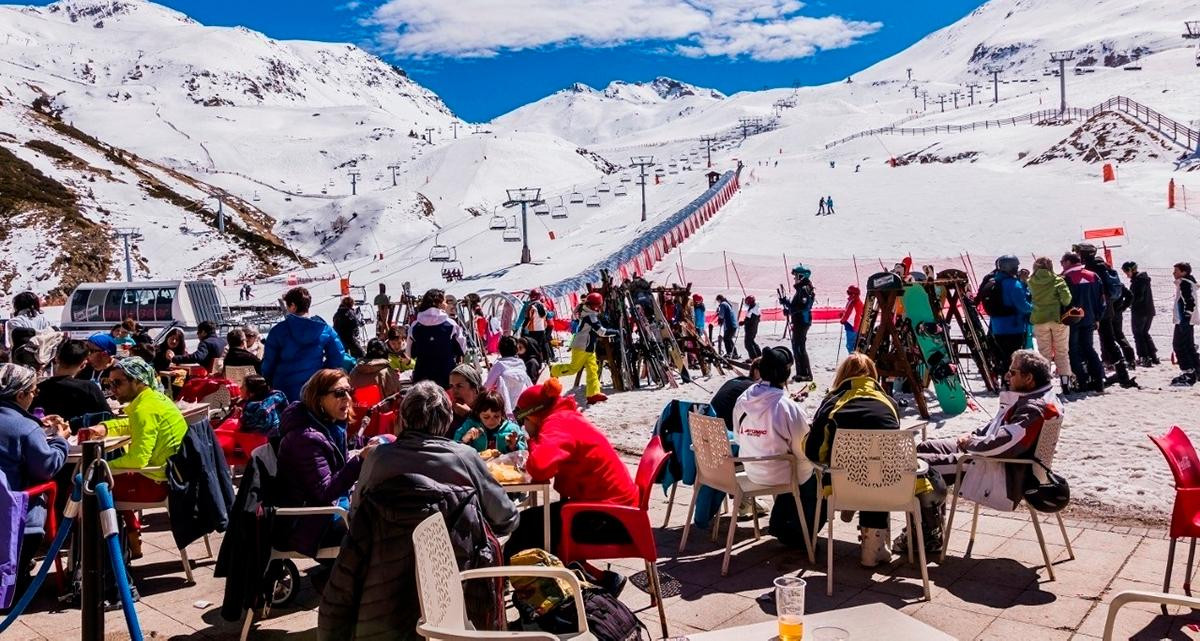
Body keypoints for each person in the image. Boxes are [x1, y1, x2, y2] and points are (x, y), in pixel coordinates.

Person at [318, 381, 517, 640]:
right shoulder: (465, 457)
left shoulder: (378, 458)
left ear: (404, 419)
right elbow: (507, 518)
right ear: (446, 421)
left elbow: (357, 517)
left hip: (383, 586)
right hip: (457, 586)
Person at [907, 350, 1061, 551]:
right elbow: (996, 428)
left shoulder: (1034, 408)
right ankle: (929, 528)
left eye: (1012, 372)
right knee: (922, 448)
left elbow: (1004, 445)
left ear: (1029, 378)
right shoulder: (1033, 396)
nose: (1007, 376)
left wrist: (970, 443)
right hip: (989, 457)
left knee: (917, 466)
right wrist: (971, 437)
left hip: (997, 469)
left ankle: (928, 536)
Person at [503, 377, 637, 563]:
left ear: (534, 414)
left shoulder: (557, 424)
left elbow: (540, 469)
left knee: (526, 525)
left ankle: (498, 584)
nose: (524, 424)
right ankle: (592, 578)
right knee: (533, 523)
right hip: (618, 510)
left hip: (613, 520)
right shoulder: (565, 417)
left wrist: (533, 438)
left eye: (524, 419)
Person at [76, 357, 188, 557]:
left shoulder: (144, 409)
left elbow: (137, 460)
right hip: (173, 476)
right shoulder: (154, 399)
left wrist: (101, 466)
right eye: (109, 384)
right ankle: (130, 543)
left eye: (118, 383)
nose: (113, 389)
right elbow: (133, 425)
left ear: (138, 381)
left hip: (157, 482)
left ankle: (101, 560)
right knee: (104, 481)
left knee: (90, 488)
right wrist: (105, 428)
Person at [804, 354, 900, 566]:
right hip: (889, 485)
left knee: (856, 469)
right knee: (876, 466)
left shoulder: (832, 403)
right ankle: (873, 546)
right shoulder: (890, 404)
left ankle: (864, 529)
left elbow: (813, 452)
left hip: (842, 484)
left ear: (842, 375)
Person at [275, 369, 373, 557]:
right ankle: (342, 582)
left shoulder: (330, 425)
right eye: (339, 393)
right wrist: (360, 459)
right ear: (319, 399)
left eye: (349, 391)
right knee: (376, 528)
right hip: (308, 524)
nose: (347, 398)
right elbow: (325, 491)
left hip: (326, 509)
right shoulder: (305, 439)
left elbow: (338, 464)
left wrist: (366, 445)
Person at [733, 346, 818, 547]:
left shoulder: (744, 399)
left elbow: (738, 437)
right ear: (786, 374)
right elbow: (803, 449)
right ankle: (798, 534)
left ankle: (782, 522)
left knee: (795, 465)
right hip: (781, 473)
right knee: (815, 475)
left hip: (751, 470)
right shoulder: (787, 407)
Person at [0, 364, 70, 596]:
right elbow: (47, 467)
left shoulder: (26, 425)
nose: (35, 395)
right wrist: (60, 440)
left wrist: (37, 425)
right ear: (20, 395)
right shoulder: (25, 428)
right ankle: (17, 578)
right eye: (33, 392)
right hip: (12, 510)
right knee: (39, 497)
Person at [262, 287, 348, 404]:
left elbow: (268, 363)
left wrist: (269, 380)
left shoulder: (278, 331)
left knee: (288, 420)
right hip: (314, 388)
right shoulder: (324, 329)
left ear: (293, 306)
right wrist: (322, 374)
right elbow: (338, 356)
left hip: (283, 389)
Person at [1077, 244, 1136, 386]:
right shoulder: (1104, 266)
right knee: (1109, 341)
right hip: (1107, 309)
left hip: (1097, 309)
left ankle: (1098, 375)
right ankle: (1123, 375)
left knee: (1090, 342)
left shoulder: (1091, 268)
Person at [549, 292, 614, 405]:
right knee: (574, 368)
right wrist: (615, 332)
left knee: (592, 369)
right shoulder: (590, 316)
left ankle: (593, 394)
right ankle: (553, 370)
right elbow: (601, 331)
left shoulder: (588, 312)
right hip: (581, 346)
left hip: (588, 347)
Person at [32, 340, 109, 425]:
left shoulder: (37, 389)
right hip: (83, 436)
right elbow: (108, 416)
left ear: (56, 359)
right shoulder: (89, 388)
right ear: (83, 364)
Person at [1061, 253, 1106, 393]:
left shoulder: (1065, 278)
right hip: (1090, 318)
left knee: (1073, 350)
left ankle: (1081, 382)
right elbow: (1102, 300)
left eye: (1062, 261)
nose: (1061, 264)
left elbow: (1063, 301)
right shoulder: (1093, 276)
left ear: (1068, 262)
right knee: (1089, 348)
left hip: (1072, 320)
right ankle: (1098, 380)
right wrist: (1098, 318)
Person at [1028, 257, 1073, 390]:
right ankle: (1065, 382)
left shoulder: (1031, 281)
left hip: (1039, 319)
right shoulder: (1058, 280)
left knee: (1044, 353)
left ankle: (1045, 382)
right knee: (1062, 351)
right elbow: (1066, 300)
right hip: (1057, 319)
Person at [407, 288, 466, 388]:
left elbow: (409, 353)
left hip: (422, 378)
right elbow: (462, 348)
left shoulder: (415, 326)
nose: (446, 304)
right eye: (444, 301)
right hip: (446, 377)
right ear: (439, 303)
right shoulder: (450, 325)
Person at [988, 255, 1033, 385]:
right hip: (1014, 327)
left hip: (997, 327)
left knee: (1003, 357)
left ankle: (1005, 382)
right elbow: (1024, 306)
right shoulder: (1014, 284)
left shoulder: (994, 281)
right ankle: (1012, 383)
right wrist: (1034, 307)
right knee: (1014, 359)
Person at [453, 390, 527, 454]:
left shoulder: (512, 429)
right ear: (478, 414)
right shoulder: (470, 426)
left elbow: (524, 451)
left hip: (503, 468)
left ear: (502, 414)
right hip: (477, 467)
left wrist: (514, 446)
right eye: (486, 417)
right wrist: (465, 439)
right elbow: (454, 448)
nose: (491, 420)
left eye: (496, 416)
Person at [483, 336, 533, 418]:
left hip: (505, 406)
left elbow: (487, 385)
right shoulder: (521, 363)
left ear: (500, 350)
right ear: (516, 350)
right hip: (522, 404)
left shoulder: (499, 365)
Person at [1122, 261, 1159, 368]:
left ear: (1131, 270)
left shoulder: (1138, 281)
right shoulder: (1142, 280)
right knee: (1144, 333)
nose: (1126, 274)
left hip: (1140, 311)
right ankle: (1152, 356)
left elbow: (1137, 297)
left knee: (1138, 334)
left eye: (1126, 271)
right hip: (1149, 310)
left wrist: (1127, 304)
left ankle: (1144, 357)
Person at [708, 358, 761, 431]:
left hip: (709, 423)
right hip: (724, 432)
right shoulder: (752, 388)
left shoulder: (733, 381)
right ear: (756, 372)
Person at [782, 265, 815, 381]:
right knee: (796, 346)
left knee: (800, 347)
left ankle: (807, 374)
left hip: (802, 321)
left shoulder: (805, 288)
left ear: (801, 276)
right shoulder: (801, 289)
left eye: (796, 276)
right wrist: (787, 304)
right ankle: (800, 372)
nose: (794, 278)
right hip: (799, 321)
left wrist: (790, 309)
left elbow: (805, 306)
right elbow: (796, 306)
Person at [1172, 262, 1199, 387]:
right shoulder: (1187, 282)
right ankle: (1196, 371)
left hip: (1184, 320)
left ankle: (1188, 373)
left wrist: (1186, 316)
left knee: (1179, 345)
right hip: (1187, 320)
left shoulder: (1184, 283)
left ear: (1184, 272)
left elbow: (1189, 301)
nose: (1174, 273)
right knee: (1188, 345)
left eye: (1176, 271)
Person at [520, 289, 554, 363]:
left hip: (533, 330)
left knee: (535, 345)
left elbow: (528, 318)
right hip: (542, 328)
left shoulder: (531, 307)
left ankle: (538, 359)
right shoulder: (543, 306)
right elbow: (547, 316)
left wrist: (523, 327)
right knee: (543, 344)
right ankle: (547, 359)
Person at [447, 363, 482, 434]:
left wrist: (469, 415)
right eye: (451, 386)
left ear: (475, 389)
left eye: (459, 386)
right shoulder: (449, 413)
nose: (454, 391)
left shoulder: (489, 407)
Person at [840, 285, 864, 353]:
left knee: (850, 345)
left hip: (851, 326)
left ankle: (852, 359)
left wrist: (842, 320)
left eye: (849, 292)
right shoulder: (859, 302)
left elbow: (847, 314)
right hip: (857, 326)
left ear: (853, 294)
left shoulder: (853, 302)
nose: (848, 294)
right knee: (855, 344)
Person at [714, 294, 738, 358]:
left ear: (719, 299)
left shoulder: (723, 304)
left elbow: (721, 315)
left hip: (730, 324)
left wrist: (719, 318)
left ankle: (730, 353)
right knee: (729, 339)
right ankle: (734, 353)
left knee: (726, 339)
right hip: (733, 324)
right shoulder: (726, 303)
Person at [739, 295, 762, 360]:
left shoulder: (754, 310)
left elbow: (750, 320)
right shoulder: (755, 308)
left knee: (748, 344)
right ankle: (759, 355)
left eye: (747, 303)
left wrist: (743, 322)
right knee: (751, 342)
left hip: (751, 329)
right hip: (752, 329)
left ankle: (754, 358)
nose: (747, 304)